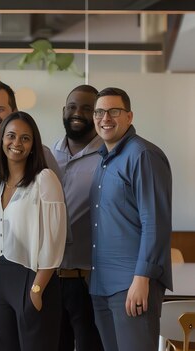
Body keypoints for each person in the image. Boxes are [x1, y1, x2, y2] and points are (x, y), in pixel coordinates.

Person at [0, 79, 62, 351]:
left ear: (34, 144)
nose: (16, 143)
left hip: (32, 280)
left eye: (25, 138)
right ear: (1, 142)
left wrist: (36, 291)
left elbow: (54, 241)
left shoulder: (45, 179)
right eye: (10, 136)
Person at [89, 87, 172, 351]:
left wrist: (142, 278)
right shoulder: (105, 160)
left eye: (114, 111)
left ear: (129, 116)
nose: (106, 118)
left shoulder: (142, 155)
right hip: (102, 284)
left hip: (132, 285)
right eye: (99, 112)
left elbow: (155, 221)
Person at [51, 85, 104, 351]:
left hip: (88, 282)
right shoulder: (47, 155)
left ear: (97, 115)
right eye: (72, 106)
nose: (78, 113)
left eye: (87, 108)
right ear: (64, 110)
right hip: (48, 281)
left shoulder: (108, 157)